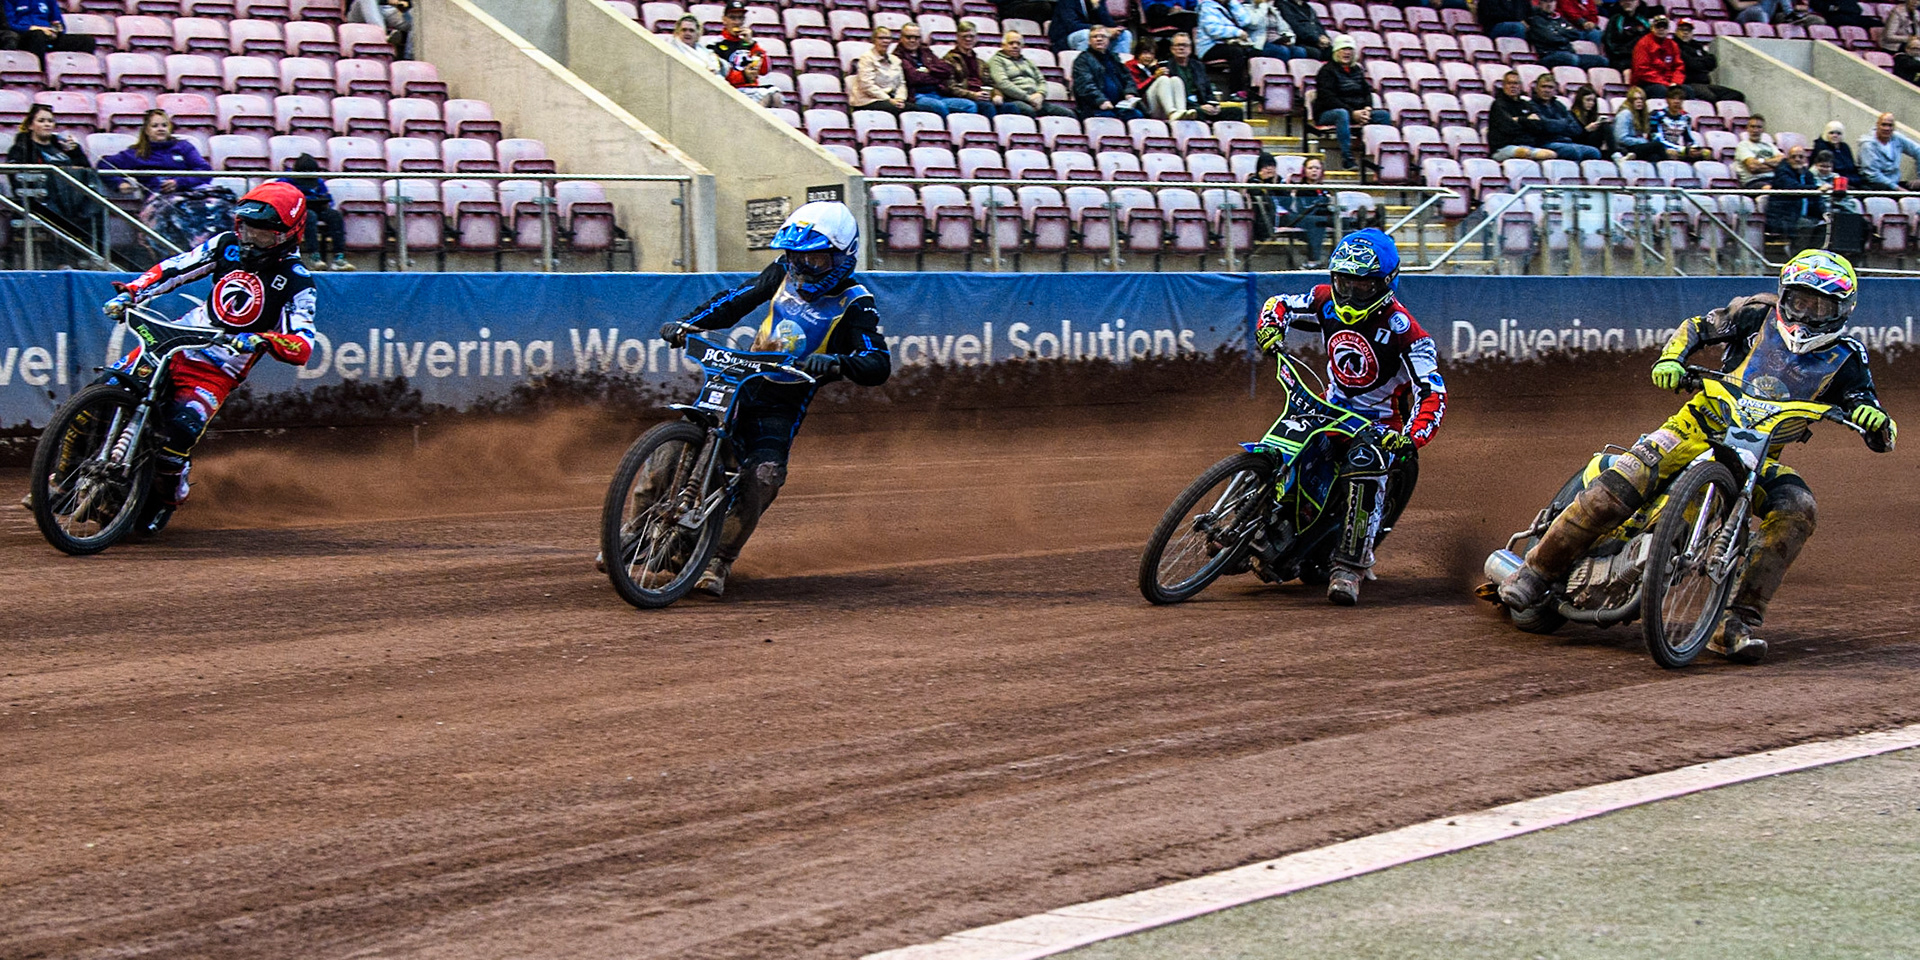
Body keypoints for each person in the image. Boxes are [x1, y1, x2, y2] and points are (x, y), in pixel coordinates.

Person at [1500, 251, 1895, 663]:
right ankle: (1535, 572)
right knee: (1619, 485)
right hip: (1694, 427)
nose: (1805, 315)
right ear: (1784, 295)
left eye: (1820, 307)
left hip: (1758, 456)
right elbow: (1698, 327)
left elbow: (1874, 419)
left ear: (1842, 311)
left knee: (1800, 507)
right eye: (1799, 301)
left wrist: (1874, 421)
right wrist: (1672, 358)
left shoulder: (1847, 358)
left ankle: (1734, 622)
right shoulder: (1755, 312)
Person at [653, 201, 891, 596]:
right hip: (739, 379)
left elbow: (877, 361)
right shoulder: (782, 273)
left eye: (814, 258)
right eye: (796, 257)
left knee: (764, 475)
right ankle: (630, 531)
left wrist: (834, 363)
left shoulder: (856, 303)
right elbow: (737, 299)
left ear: (841, 256)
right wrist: (688, 324)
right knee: (671, 448)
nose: (801, 268)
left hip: (783, 400)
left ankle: (718, 560)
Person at [96, 182, 319, 535]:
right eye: (246, 230)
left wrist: (261, 340)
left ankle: (167, 499)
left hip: (218, 367)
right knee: (103, 388)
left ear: (287, 235)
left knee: (179, 431)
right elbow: (176, 268)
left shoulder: (296, 281)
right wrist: (133, 292)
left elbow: (302, 344)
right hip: (175, 342)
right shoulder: (225, 245)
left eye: (262, 236)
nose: (249, 242)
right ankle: (61, 477)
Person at [1254, 229, 1447, 605]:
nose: (1350, 292)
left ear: (1386, 284)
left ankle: (1350, 565)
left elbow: (1432, 392)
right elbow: (1280, 303)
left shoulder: (1408, 333)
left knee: (1366, 463)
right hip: (1329, 409)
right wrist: (1270, 326)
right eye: (1343, 281)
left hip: (1378, 426)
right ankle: (1245, 518)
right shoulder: (1325, 299)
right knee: (1287, 439)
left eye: (1362, 286)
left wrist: (1411, 437)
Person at [6, 103, 103, 250]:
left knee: (97, 209)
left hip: (73, 200)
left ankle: (100, 257)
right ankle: (65, 260)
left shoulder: (62, 147)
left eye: (50, 121)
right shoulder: (21, 148)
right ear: (30, 125)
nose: (47, 124)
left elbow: (85, 171)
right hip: (43, 200)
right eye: (41, 121)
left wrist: (76, 152)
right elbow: (17, 179)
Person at [1313, 35, 1387, 170]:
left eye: (1350, 50)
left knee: (1383, 115)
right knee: (1342, 114)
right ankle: (1347, 158)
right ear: (1336, 52)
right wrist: (1352, 113)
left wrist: (1367, 109)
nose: (1347, 52)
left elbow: (1366, 92)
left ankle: (1381, 158)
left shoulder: (1357, 69)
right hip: (1328, 113)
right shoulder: (1326, 71)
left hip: (1356, 112)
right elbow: (1328, 98)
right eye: (1343, 49)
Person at [275, 153, 352, 271]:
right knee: (310, 216)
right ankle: (314, 257)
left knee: (335, 215)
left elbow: (328, 198)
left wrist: (323, 202)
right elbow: (281, 200)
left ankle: (339, 257)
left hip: (318, 208)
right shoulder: (284, 181)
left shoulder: (318, 182)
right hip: (295, 211)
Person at [987, 30, 1076, 117]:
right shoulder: (996, 61)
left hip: (1036, 100)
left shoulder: (1028, 62)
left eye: (1018, 44)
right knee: (1028, 111)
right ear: (1003, 45)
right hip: (1012, 99)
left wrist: (1040, 94)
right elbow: (1003, 83)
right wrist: (1028, 98)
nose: (1015, 46)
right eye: (1011, 43)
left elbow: (1041, 80)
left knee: (1069, 114)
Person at [895, 23, 974, 117]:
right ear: (901, 38)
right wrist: (937, 75)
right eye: (909, 37)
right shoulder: (897, 56)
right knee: (939, 106)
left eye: (916, 37)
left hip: (938, 93)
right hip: (917, 96)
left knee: (969, 105)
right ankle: (947, 130)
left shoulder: (926, 52)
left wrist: (929, 70)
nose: (912, 40)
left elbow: (947, 70)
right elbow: (914, 78)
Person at [1165, 31, 1245, 120]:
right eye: (1178, 45)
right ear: (1172, 49)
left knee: (1236, 112)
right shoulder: (1166, 67)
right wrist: (1199, 107)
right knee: (1197, 113)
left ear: (1190, 49)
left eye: (1185, 45)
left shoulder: (1198, 66)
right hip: (1185, 108)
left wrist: (1214, 104)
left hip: (1203, 104)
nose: (1181, 48)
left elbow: (1208, 91)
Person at [1071, 25, 1143, 119]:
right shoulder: (1082, 60)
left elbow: (1128, 78)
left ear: (1108, 40)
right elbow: (1085, 85)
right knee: (1108, 119)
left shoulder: (1114, 59)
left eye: (1103, 36)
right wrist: (1100, 101)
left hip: (1119, 106)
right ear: (1089, 41)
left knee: (1137, 115)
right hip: (1095, 107)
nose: (1099, 39)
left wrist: (1130, 92)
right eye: (1095, 36)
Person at [1526, 74, 1602, 160]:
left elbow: (1575, 129)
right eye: (1544, 87)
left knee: (1594, 152)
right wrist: (1563, 123)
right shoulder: (1530, 105)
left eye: (1550, 87)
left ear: (1555, 90)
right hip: (1545, 143)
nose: (1547, 90)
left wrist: (1551, 124)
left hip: (1566, 141)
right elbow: (1543, 126)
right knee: (1573, 151)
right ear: (1536, 88)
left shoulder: (1559, 105)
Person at [710, 21, 786, 108]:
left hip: (752, 88)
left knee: (777, 96)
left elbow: (765, 70)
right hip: (730, 89)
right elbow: (717, 75)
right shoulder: (716, 44)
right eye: (732, 18)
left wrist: (752, 44)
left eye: (740, 18)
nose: (736, 22)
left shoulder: (748, 42)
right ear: (724, 20)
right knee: (765, 97)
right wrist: (744, 75)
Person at [1766, 144, 1827, 249]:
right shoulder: (1782, 172)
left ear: (1805, 159)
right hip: (1784, 218)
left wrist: (1824, 214)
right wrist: (1817, 188)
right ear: (1788, 159)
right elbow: (1794, 188)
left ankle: (1813, 255)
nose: (1797, 159)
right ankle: (1797, 255)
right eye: (1793, 157)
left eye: (1800, 157)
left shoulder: (1808, 174)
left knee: (1825, 225)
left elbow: (1816, 198)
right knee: (1806, 224)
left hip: (1804, 217)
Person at [1490, 70, 1558, 161]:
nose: (1513, 86)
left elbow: (1539, 126)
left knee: (1551, 154)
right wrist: (1527, 121)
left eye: (1516, 83)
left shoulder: (1526, 104)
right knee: (1524, 152)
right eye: (1509, 83)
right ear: (1503, 85)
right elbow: (1509, 127)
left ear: (1520, 86)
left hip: (1528, 145)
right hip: (1504, 148)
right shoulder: (1498, 105)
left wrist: (1519, 120)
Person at [1194, 0, 1257, 96]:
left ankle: (1252, 89)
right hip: (1208, 47)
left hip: (1227, 44)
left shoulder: (1229, 6)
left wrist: (1233, 3)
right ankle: (1235, 91)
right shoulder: (1207, 7)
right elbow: (1213, 30)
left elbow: (1246, 21)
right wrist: (1238, 33)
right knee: (1236, 52)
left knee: (1254, 52)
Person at [0, 0, 96, 62]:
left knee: (87, 41)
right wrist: (33, 28)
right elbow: (10, 24)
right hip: (25, 36)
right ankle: (40, 73)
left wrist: (55, 31)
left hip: (48, 35)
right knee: (37, 35)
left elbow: (58, 22)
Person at [1674, 19, 1743, 102]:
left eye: (1688, 30)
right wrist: (1701, 62)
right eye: (1682, 30)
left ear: (1692, 33)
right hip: (1688, 83)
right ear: (1676, 31)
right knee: (1711, 97)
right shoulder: (1674, 46)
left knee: (1736, 95)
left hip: (1706, 83)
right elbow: (1692, 64)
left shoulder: (1697, 45)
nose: (1685, 33)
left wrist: (1698, 62)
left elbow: (1712, 62)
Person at [943, 22, 1000, 118]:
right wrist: (973, 95)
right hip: (965, 97)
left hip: (983, 97)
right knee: (987, 107)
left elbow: (991, 83)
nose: (968, 39)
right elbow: (950, 87)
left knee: (1010, 107)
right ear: (957, 37)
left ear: (976, 38)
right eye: (964, 36)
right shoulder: (949, 60)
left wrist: (997, 95)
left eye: (971, 36)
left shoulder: (981, 63)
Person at [1528, 0, 1606, 68]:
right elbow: (1551, 38)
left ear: (1555, 3)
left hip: (1568, 52)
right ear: (1539, 3)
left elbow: (1575, 33)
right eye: (1546, 2)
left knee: (1601, 60)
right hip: (1548, 54)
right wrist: (1564, 33)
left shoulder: (1559, 18)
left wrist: (1557, 31)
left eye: (1552, 1)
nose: (1549, 5)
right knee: (1571, 58)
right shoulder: (1536, 20)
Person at [850, 26, 908, 114]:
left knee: (915, 108)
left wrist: (900, 98)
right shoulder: (867, 58)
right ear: (874, 40)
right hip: (869, 100)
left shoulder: (895, 59)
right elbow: (866, 85)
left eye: (888, 38)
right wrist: (888, 99)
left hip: (891, 99)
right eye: (881, 38)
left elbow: (901, 83)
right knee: (895, 110)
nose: (885, 41)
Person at [1857, 111, 1920, 190]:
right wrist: (1898, 189)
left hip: (1895, 184)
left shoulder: (1897, 138)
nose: (1887, 128)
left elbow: (1918, 150)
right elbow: (1873, 175)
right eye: (1883, 125)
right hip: (1874, 186)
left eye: (1890, 125)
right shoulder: (1868, 145)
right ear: (1877, 125)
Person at [1630, 14, 1685, 100]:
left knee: (1687, 91)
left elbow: (1679, 67)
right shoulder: (1643, 44)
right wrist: (1666, 84)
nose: (1661, 29)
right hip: (1646, 83)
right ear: (1652, 28)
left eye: (1664, 27)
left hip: (1668, 83)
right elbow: (1642, 70)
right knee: (1661, 91)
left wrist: (1676, 82)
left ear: (1668, 29)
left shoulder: (1672, 45)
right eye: (1658, 26)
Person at [1648, 87, 1710, 160]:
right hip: (1659, 149)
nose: (1676, 102)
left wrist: (1695, 148)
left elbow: (1688, 138)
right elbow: (1657, 140)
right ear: (1667, 100)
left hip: (1677, 148)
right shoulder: (1656, 114)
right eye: (1673, 99)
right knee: (1671, 153)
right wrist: (1683, 149)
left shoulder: (1686, 117)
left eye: (1680, 99)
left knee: (1706, 153)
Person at [1053, 0, 1133, 54]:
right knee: (1086, 34)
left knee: (1124, 34)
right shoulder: (1067, 1)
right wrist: (1103, 30)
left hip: (1093, 33)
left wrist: (1098, 7)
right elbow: (1072, 25)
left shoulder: (1097, 1)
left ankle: (1120, 70)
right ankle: (1086, 67)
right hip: (1065, 39)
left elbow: (1110, 24)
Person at [1611, 85, 1667, 162]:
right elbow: (1621, 138)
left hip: (1636, 146)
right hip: (1625, 148)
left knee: (1654, 156)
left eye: (1641, 99)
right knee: (1658, 145)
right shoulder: (1625, 114)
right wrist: (1641, 141)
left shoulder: (1641, 115)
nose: (1639, 101)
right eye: (1635, 99)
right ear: (1630, 101)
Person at [1246, 0, 1315, 60]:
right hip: (1260, 43)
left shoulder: (1273, 10)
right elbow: (1254, 24)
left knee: (1300, 51)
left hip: (1277, 41)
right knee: (1283, 51)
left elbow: (1286, 28)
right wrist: (1263, 6)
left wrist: (1290, 40)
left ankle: (1294, 73)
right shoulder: (1248, 7)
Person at [1602, 0, 1652, 71]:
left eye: (1632, 0)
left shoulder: (1643, 22)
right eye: (1625, 0)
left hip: (1641, 58)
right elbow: (1609, 44)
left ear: (1638, 3)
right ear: (1620, 3)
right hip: (1621, 59)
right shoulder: (1614, 20)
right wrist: (1628, 52)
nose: (1628, 2)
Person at [1733, 115, 1782, 185]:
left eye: (1759, 127)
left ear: (1763, 130)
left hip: (1774, 179)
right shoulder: (1743, 145)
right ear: (1747, 128)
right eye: (1752, 127)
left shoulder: (1770, 145)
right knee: (1771, 190)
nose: (1755, 130)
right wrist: (1775, 167)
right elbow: (1753, 167)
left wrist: (1761, 161)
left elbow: (1782, 162)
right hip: (1754, 182)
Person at [1567, 84, 1612, 154]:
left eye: (1593, 101)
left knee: (1604, 125)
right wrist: (1586, 130)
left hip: (1593, 145)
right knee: (1604, 126)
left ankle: (1616, 153)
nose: (1591, 103)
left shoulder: (1591, 116)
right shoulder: (1571, 115)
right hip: (1578, 145)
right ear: (1580, 100)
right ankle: (1616, 154)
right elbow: (1572, 138)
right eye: (1588, 100)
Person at [1809, 0, 1881, 29]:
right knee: (1843, 19)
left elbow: (1857, 10)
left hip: (1852, 17)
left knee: (1878, 24)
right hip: (1833, 17)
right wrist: (1842, 8)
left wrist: (1839, 8)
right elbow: (1822, 7)